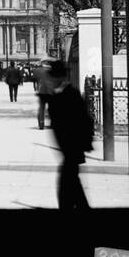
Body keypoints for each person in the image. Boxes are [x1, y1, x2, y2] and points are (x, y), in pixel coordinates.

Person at [46, 60, 93, 210]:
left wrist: (84, 143)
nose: (51, 80)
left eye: (53, 77)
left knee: (67, 185)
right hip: (69, 149)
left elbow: (84, 120)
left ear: (59, 77)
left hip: (72, 147)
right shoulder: (59, 95)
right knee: (72, 185)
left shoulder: (69, 94)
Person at [35, 59, 57, 129]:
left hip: (42, 90)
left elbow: (35, 77)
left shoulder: (39, 70)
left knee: (41, 107)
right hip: (51, 91)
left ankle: (41, 123)